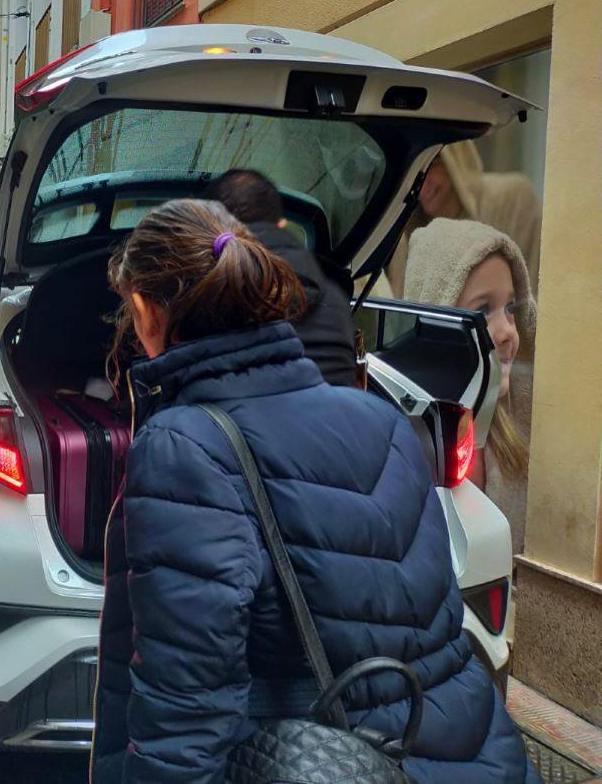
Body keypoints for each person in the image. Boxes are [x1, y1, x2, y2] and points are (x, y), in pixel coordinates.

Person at [92, 198, 534, 783]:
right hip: (474, 754)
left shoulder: (185, 446)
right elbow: (430, 624)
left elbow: (185, 717)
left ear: (147, 311)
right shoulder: (381, 421)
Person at [404, 218, 535, 555]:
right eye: (482, 311)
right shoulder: (404, 441)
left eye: (509, 308)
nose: (508, 330)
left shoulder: (526, 427)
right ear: (435, 319)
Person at [209, 169, 357, 386]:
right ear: (280, 224)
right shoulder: (336, 300)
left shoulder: (209, 295)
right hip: (339, 419)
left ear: (214, 232)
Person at [386, 140, 541, 296]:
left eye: (432, 164)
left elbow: (530, 295)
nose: (423, 185)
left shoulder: (511, 201)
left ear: (455, 160)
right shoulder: (406, 238)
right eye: (415, 171)